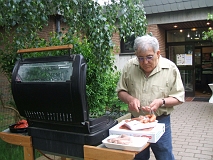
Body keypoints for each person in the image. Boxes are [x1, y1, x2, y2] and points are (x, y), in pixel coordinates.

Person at [116, 35, 185, 160]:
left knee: (165, 156)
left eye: (149, 57)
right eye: (140, 58)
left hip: (161, 121)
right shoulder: (129, 67)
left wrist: (161, 101)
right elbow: (121, 91)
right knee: (139, 157)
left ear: (157, 53)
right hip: (136, 122)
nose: (145, 62)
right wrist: (130, 99)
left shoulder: (170, 68)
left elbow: (179, 97)